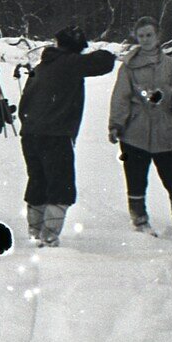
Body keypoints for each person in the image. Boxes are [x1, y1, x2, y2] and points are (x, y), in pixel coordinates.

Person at [18, 25, 116, 246]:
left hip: (31, 134)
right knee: (60, 187)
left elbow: (23, 104)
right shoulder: (69, 63)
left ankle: (35, 233)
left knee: (38, 182)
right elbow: (103, 62)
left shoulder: (42, 66)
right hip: (55, 136)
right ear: (76, 49)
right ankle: (49, 236)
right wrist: (114, 53)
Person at [108, 16, 172, 235]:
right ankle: (139, 220)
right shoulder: (129, 66)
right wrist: (116, 124)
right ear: (136, 37)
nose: (145, 39)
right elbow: (121, 97)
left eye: (149, 35)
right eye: (141, 35)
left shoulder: (171, 66)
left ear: (158, 36)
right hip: (134, 132)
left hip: (166, 132)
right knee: (136, 178)